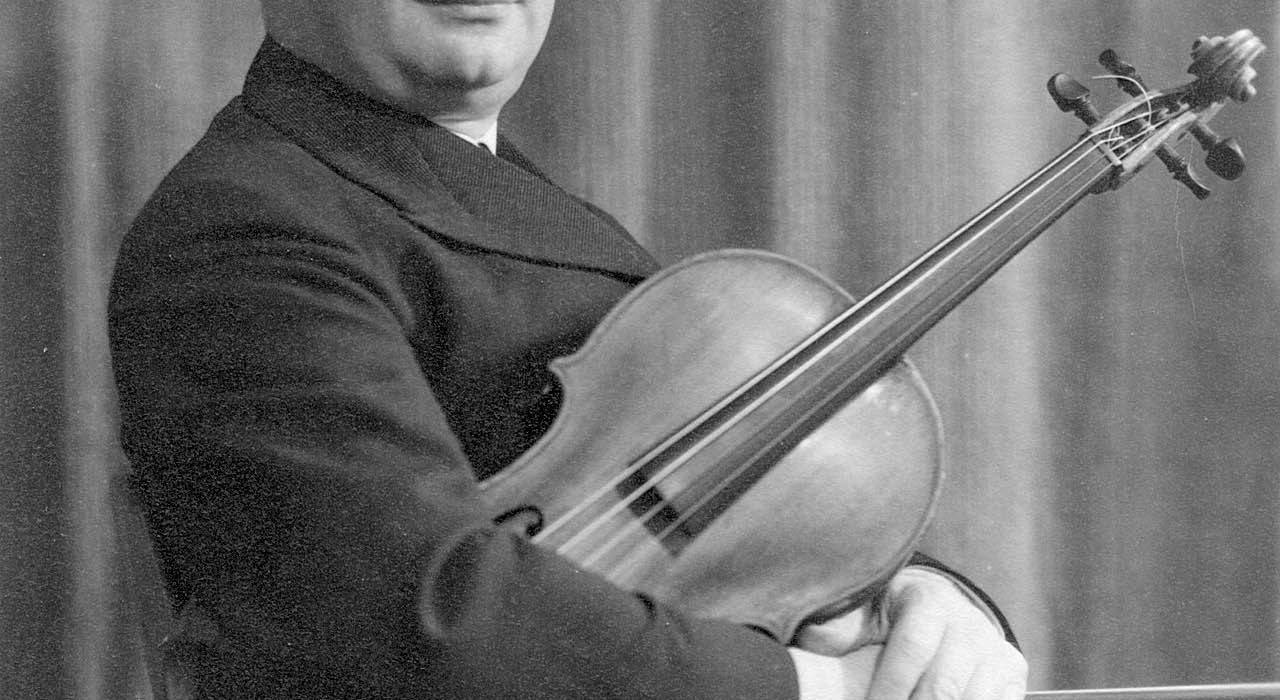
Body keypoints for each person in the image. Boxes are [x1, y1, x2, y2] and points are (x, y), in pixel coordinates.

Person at [108, 1, 1027, 697]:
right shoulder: (246, 225)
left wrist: (914, 599)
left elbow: (729, 529)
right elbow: (419, 618)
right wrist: (814, 687)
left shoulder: (501, 191)